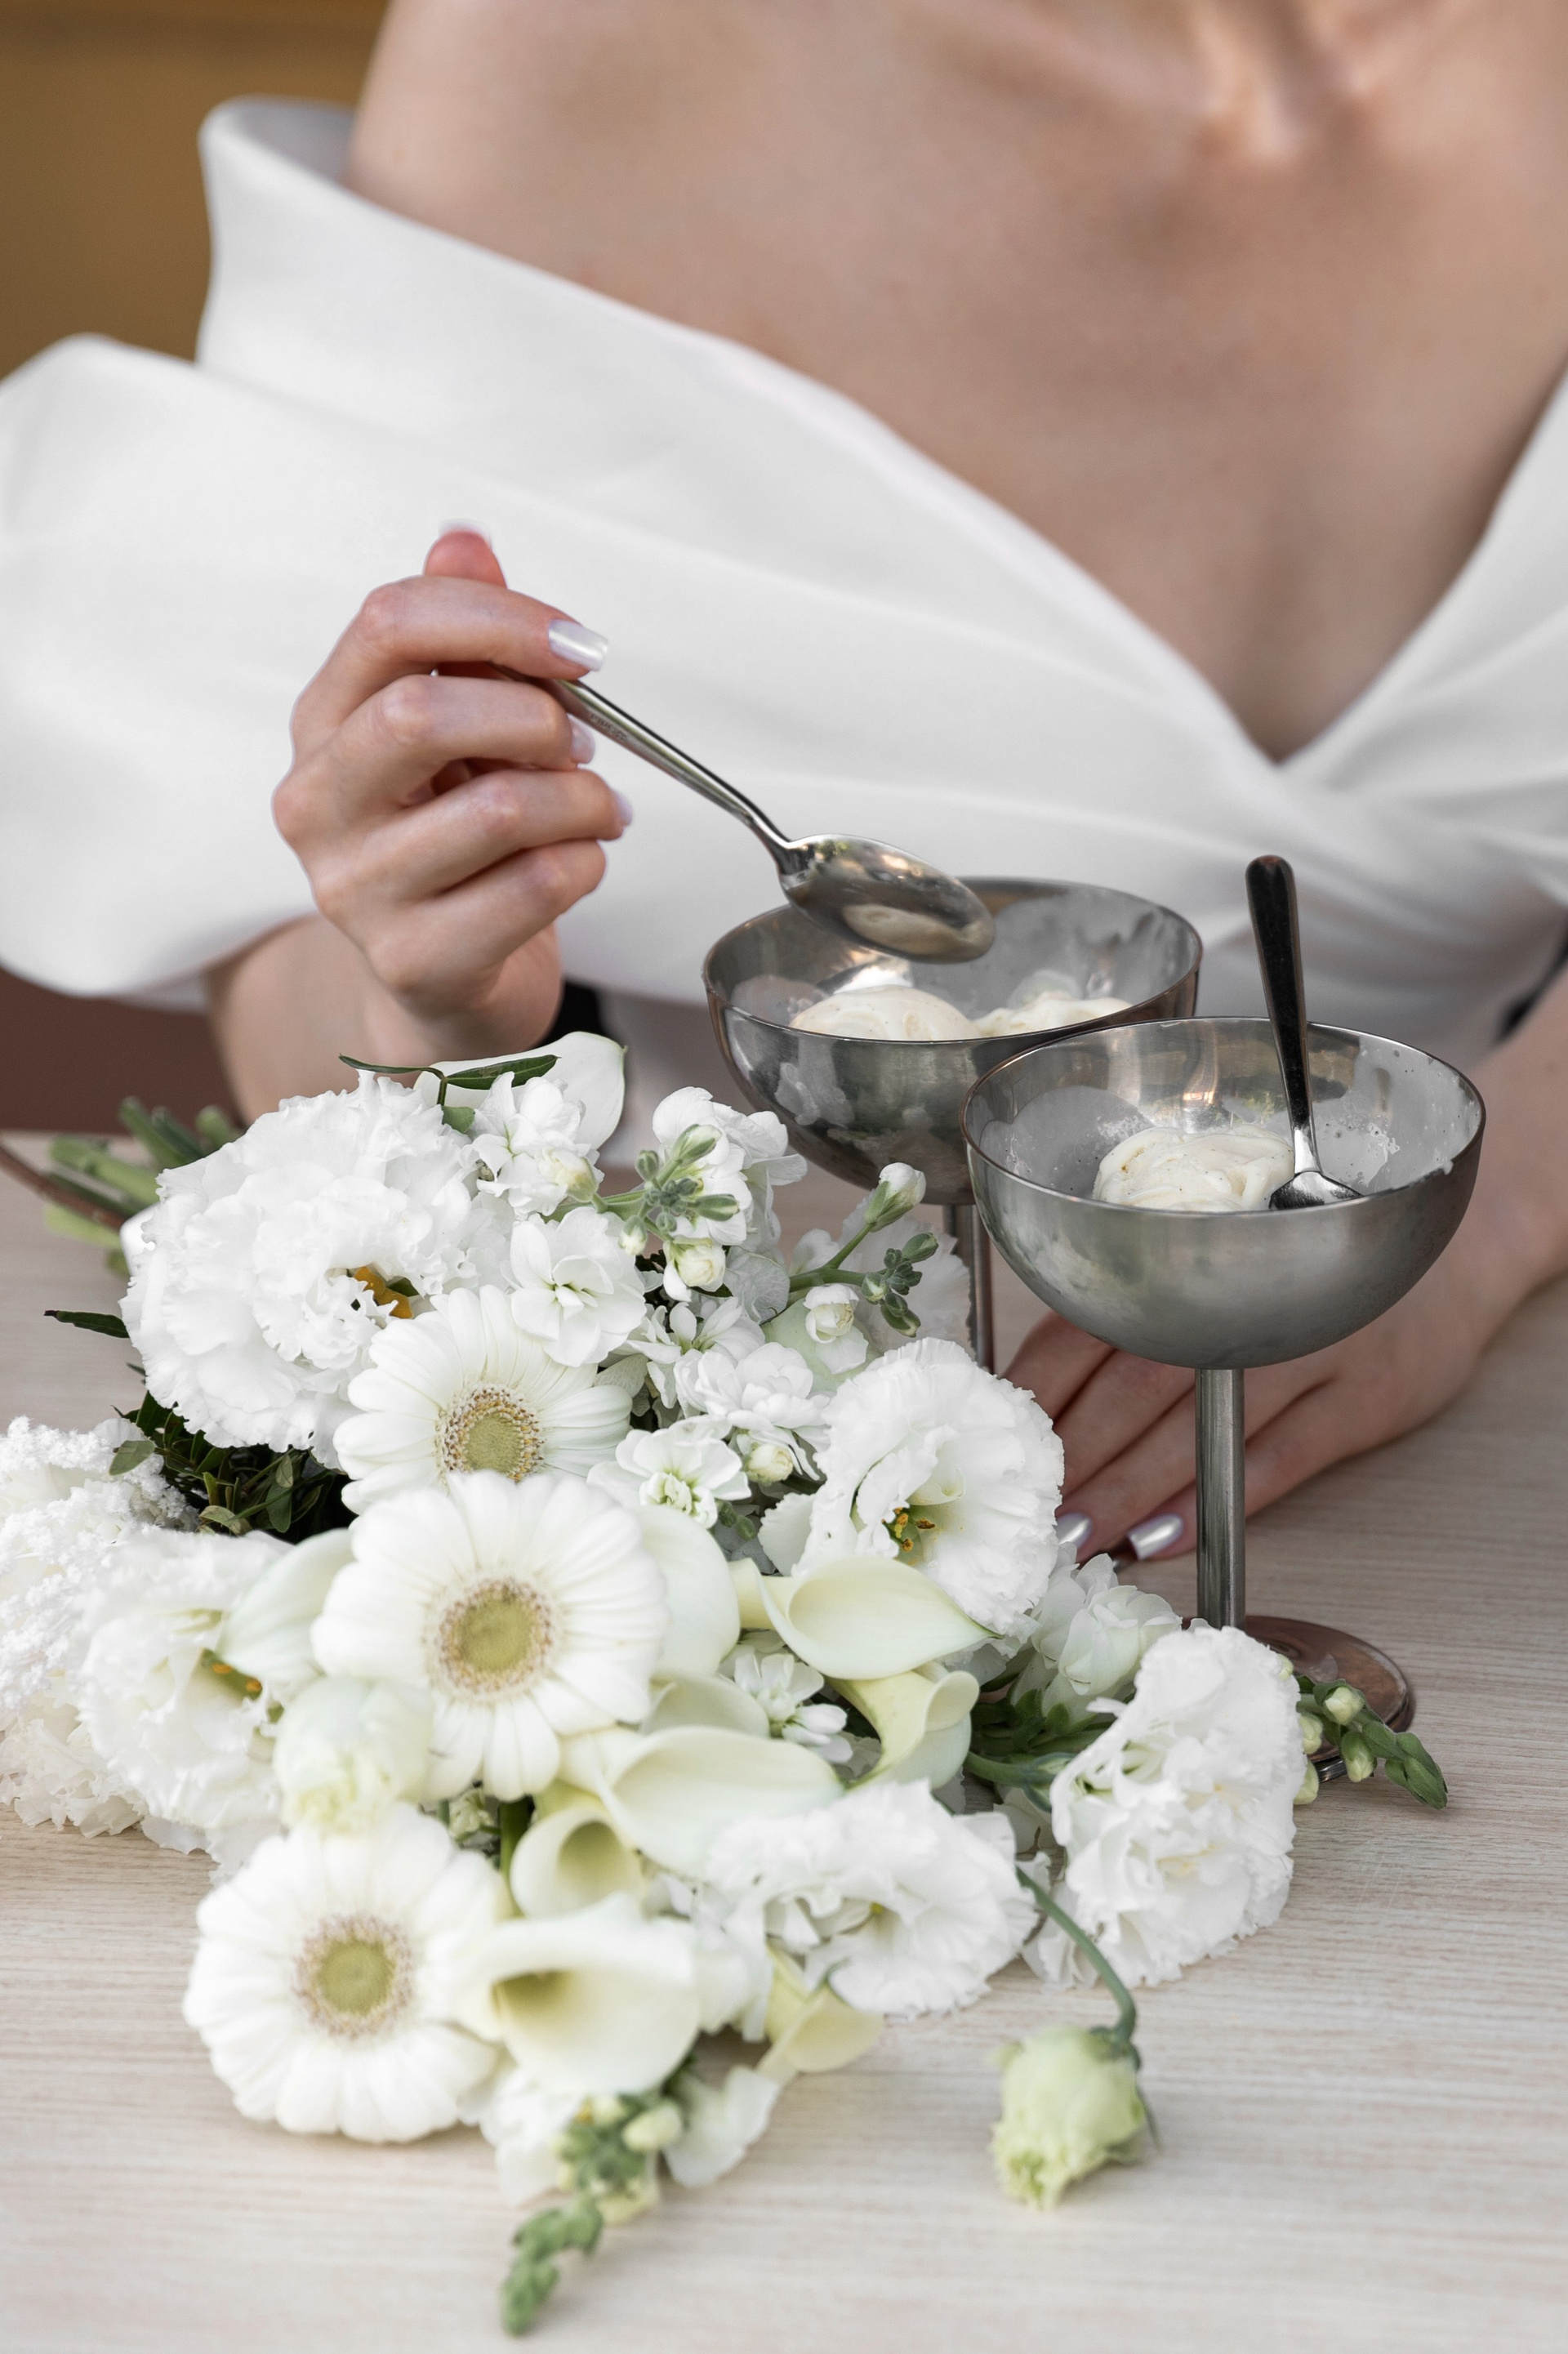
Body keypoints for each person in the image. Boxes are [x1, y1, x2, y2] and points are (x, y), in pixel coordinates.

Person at [4, 0, 1568, 1563]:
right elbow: (307, 979)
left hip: (1493, 1435)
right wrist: (441, 1006)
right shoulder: (574, 49)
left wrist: (1491, 1217)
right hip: (754, 1467)